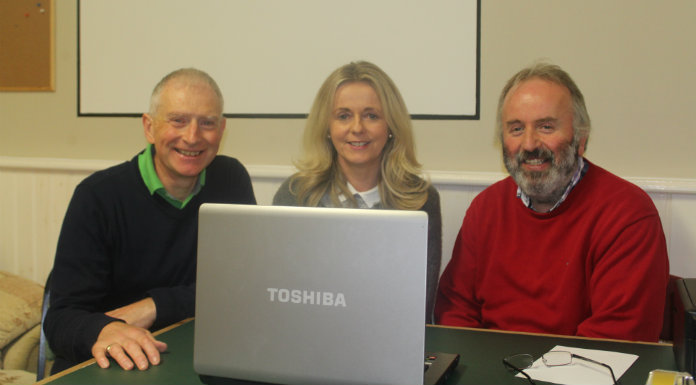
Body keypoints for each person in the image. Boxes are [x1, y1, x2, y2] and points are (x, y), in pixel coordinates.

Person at [435, 62, 669, 342]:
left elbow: (619, 338)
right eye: (516, 128)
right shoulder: (485, 209)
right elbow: (454, 313)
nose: (530, 144)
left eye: (546, 126)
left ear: (581, 138)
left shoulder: (628, 215)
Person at [44, 68, 256, 373]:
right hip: (111, 367)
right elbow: (60, 320)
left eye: (207, 123)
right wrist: (100, 330)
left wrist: (154, 307)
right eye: (178, 120)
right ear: (149, 127)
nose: (192, 136)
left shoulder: (230, 180)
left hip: (195, 356)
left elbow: (244, 285)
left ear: (221, 130)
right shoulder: (97, 197)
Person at [272, 61, 442, 323]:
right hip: (309, 339)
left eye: (371, 115)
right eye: (343, 116)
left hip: (390, 341)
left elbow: (420, 304)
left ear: (391, 127)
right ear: (327, 127)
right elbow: (283, 297)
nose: (357, 128)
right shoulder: (295, 195)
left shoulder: (420, 199)